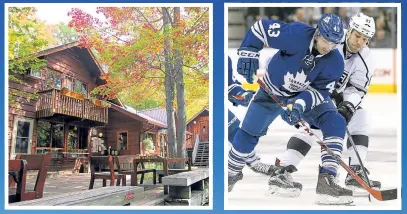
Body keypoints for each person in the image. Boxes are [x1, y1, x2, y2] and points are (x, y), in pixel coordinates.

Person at [228, 13, 349, 202]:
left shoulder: (335, 62)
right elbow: (260, 29)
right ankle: (230, 173)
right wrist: (248, 51)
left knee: (335, 122)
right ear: (317, 33)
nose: (328, 46)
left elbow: (319, 92)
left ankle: (327, 179)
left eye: (333, 43)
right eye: (325, 40)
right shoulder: (296, 34)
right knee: (249, 132)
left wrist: (299, 104)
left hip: (303, 96)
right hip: (272, 92)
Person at [273, 12, 380, 203]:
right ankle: (283, 170)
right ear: (350, 30)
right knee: (314, 129)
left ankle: (355, 172)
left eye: (365, 39)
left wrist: (347, 105)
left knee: (360, 119)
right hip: (309, 93)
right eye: (357, 36)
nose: (360, 42)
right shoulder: (331, 39)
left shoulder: (366, 58)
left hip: (333, 99)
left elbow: (357, 88)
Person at [227, 56, 274, 175]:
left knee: (233, 126)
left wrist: (242, 94)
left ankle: (253, 162)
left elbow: (228, 85)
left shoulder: (223, 58)